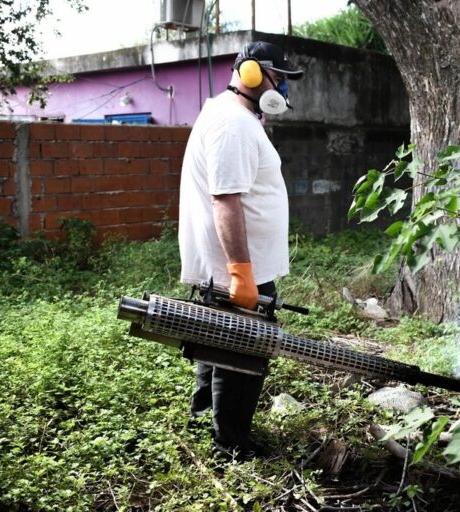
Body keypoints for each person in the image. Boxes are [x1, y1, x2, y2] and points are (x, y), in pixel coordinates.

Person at [177, 41, 303, 461]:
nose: (284, 88)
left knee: (218, 343)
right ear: (251, 73)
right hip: (238, 267)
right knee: (244, 355)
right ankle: (231, 445)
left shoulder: (235, 115)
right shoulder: (232, 123)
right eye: (279, 77)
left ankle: (202, 422)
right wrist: (241, 272)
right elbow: (226, 201)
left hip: (233, 265)